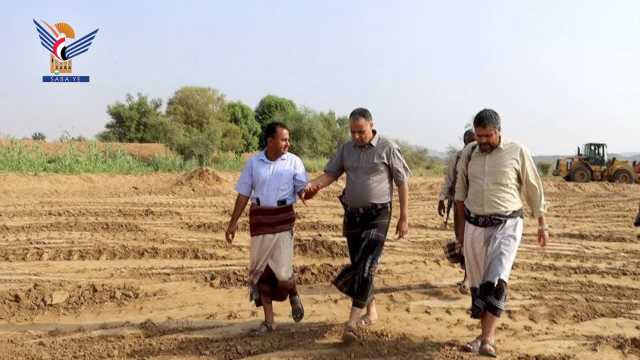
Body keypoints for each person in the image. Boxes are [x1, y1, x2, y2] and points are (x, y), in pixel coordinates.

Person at [304, 107, 412, 343]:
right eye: (352, 132)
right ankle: (371, 311)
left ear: (371, 125)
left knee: (366, 266)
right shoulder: (346, 149)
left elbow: (402, 182)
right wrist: (313, 186)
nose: (356, 136)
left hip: (379, 215)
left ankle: (351, 323)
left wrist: (403, 217)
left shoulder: (388, 148)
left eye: (360, 132)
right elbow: (331, 174)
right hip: (353, 215)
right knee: (360, 265)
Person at [454, 109, 549, 357]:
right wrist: (461, 235)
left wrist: (542, 223)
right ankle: (484, 336)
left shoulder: (517, 151)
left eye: (487, 136)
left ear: (498, 131)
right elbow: (460, 195)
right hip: (474, 226)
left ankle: (487, 340)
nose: (482, 141)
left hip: (507, 224)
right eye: (479, 136)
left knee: (497, 280)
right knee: (479, 285)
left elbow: (533, 188)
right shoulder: (469, 153)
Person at [225, 122, 307, 335]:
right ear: (270, 141)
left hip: (283, 219)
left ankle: (294, 293)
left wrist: (310, 191)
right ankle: (269, 321)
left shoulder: (294, 162)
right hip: (260, 219)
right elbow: (243, 194)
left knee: (282, 272)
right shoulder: (254, 163)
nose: (288, 143)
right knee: (260, 272)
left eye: (288, 139)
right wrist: (233, 223)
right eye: (283, 139)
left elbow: (302, 190)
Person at [438, 129, 476, 289]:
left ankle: (473, 278)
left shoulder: (486, 157)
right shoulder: (458, 157)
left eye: (474, 140)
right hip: (460, 204)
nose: (472, 144)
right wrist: (442, 198)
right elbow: (450, 179)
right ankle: (468, 276)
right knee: (462, 240)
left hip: (480, 206)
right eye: (468, 140)